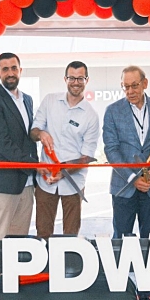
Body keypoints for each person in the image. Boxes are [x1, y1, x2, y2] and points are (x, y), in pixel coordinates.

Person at [102, 65, 150, 300]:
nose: (130, 91)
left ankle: (145, 296)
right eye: (126, 86)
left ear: (145, 83)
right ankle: (120, 295)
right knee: (121, 240)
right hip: (124, 187)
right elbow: (111, 150)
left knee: (149, 241)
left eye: (134, 85)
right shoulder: (113, 111)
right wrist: (133, 179)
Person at [0, 53, 38, 300]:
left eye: (14, 68)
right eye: (5, 69)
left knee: (17, 242)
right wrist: (36, 166)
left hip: (26, 183)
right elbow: (3, 143)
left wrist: (35, 170)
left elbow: (28, 140)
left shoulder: (27, 100)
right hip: (2, 183)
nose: (10, 72)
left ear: (20, 70)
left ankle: (10, 293)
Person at [29, 61, 100, 238]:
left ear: (87, 80)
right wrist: (41, 133)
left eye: (80, 78)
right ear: (65, 79)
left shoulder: (91, 115)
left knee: (71, 236)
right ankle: (45, 258)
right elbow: (33, 131)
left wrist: (62, 172)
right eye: (72, 78)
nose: (76, 82)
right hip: (45, 182)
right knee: (43, 233)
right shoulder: (50, 101)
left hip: (73, 183)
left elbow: (86, 157)